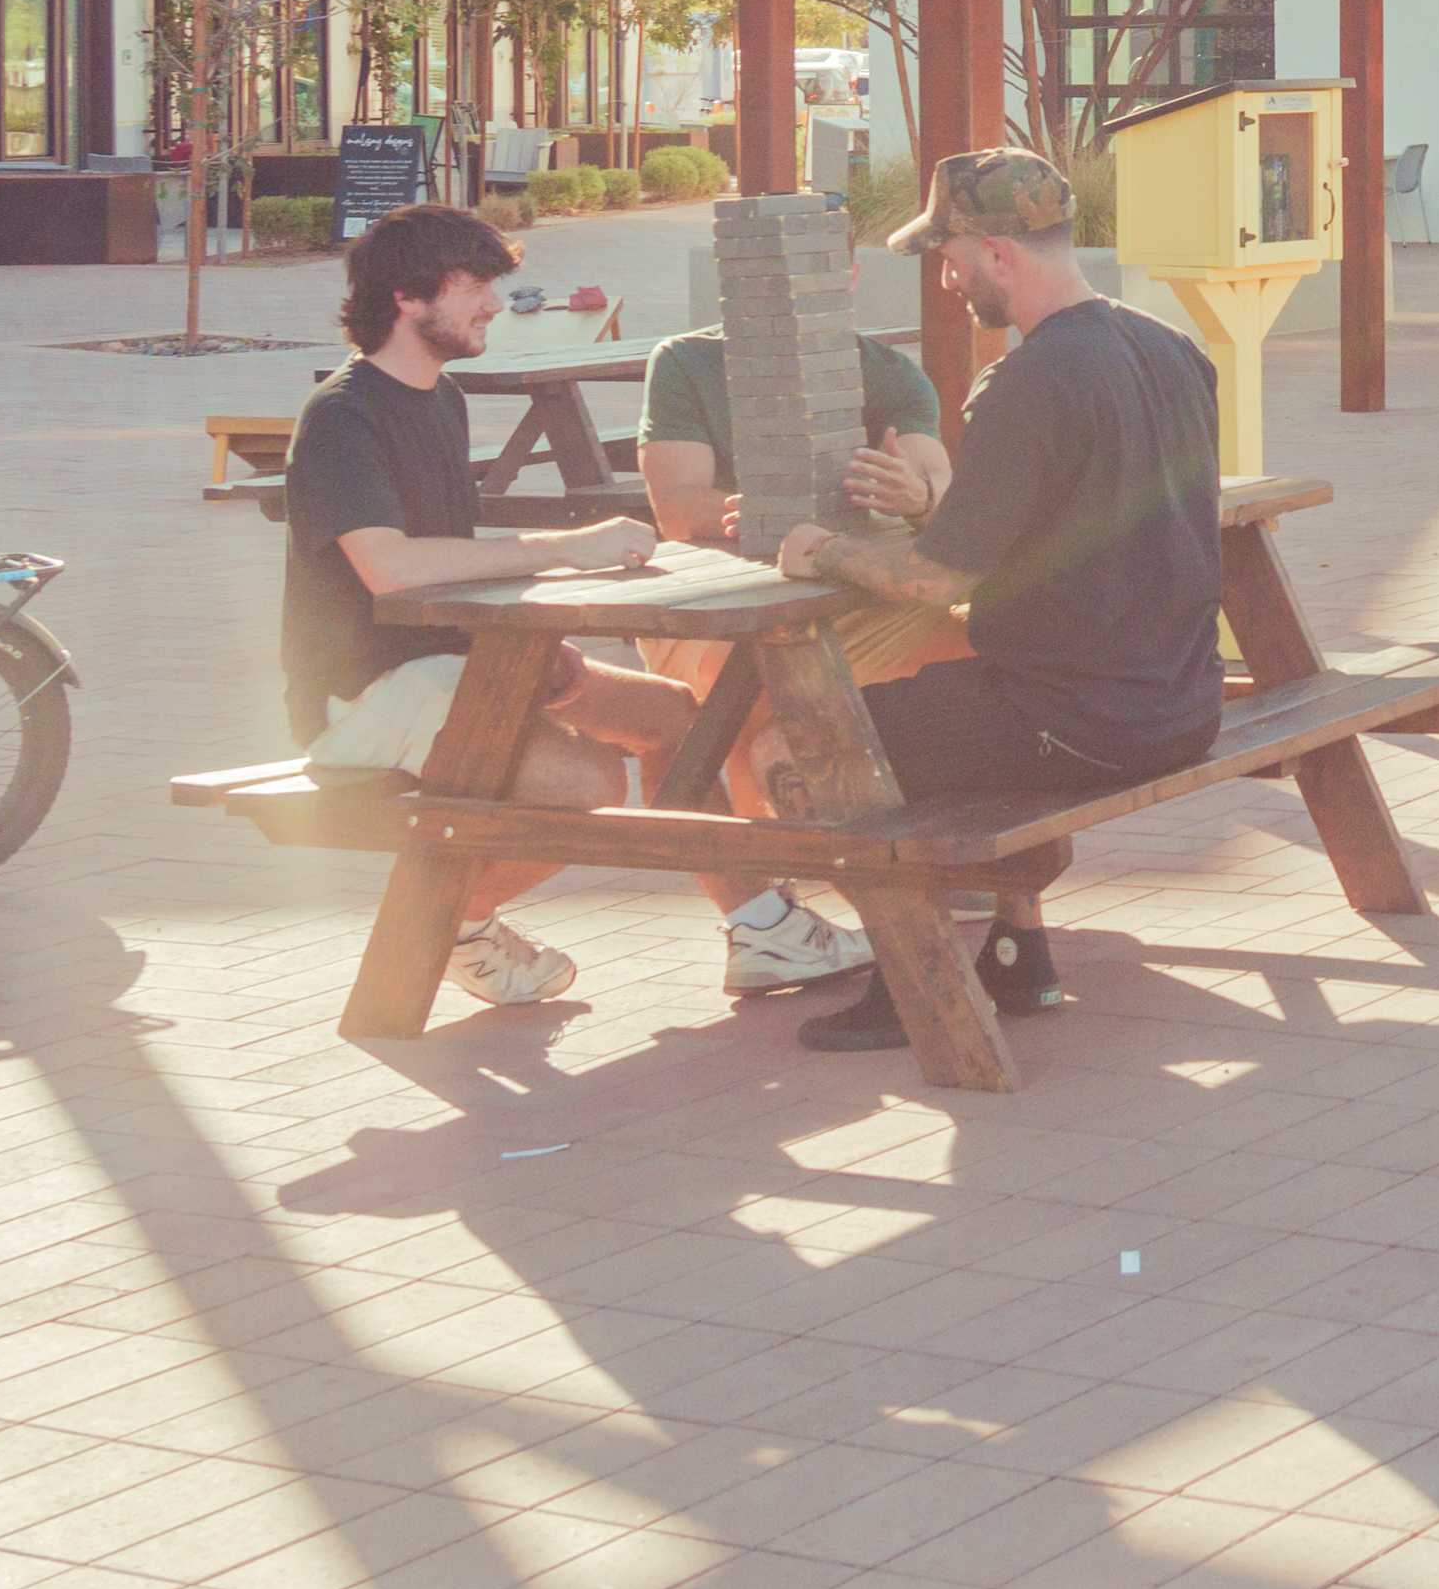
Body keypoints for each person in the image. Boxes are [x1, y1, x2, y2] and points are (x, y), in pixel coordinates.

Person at [766, 149, 1228, 1053]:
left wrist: (822, 549)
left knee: (805, 744)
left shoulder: (1031, 382)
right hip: (1183, 704)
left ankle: (913, 976)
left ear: (997, 252)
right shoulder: (1172, 349)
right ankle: (1018, 950)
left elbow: (941, 580)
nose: (945, 280)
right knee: (957, 709)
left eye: (949, 258)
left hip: (1082, 718)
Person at [279, 203, 699, 1009]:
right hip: (362, 699)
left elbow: (452, 566)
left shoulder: (441, 397)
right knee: (586, 781)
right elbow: (391, 569)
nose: (494, 304)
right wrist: (564, 549)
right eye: (475, 285)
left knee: (673, 714)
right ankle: (454, 923)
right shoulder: (340, 417)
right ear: (407, 297)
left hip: (453, 663)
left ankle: (757, 924)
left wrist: (528, 645)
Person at [620, 307, 952, 996]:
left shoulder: (887, 371)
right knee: (731, 699)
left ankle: (957, 865)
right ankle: (762, 919)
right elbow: (678, 510)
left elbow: (932, 485)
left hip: (850, 603)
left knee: (991, 645)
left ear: (849, 276)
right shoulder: (687, 362)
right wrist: (760, 514)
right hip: (716, 608)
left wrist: (916, 496)